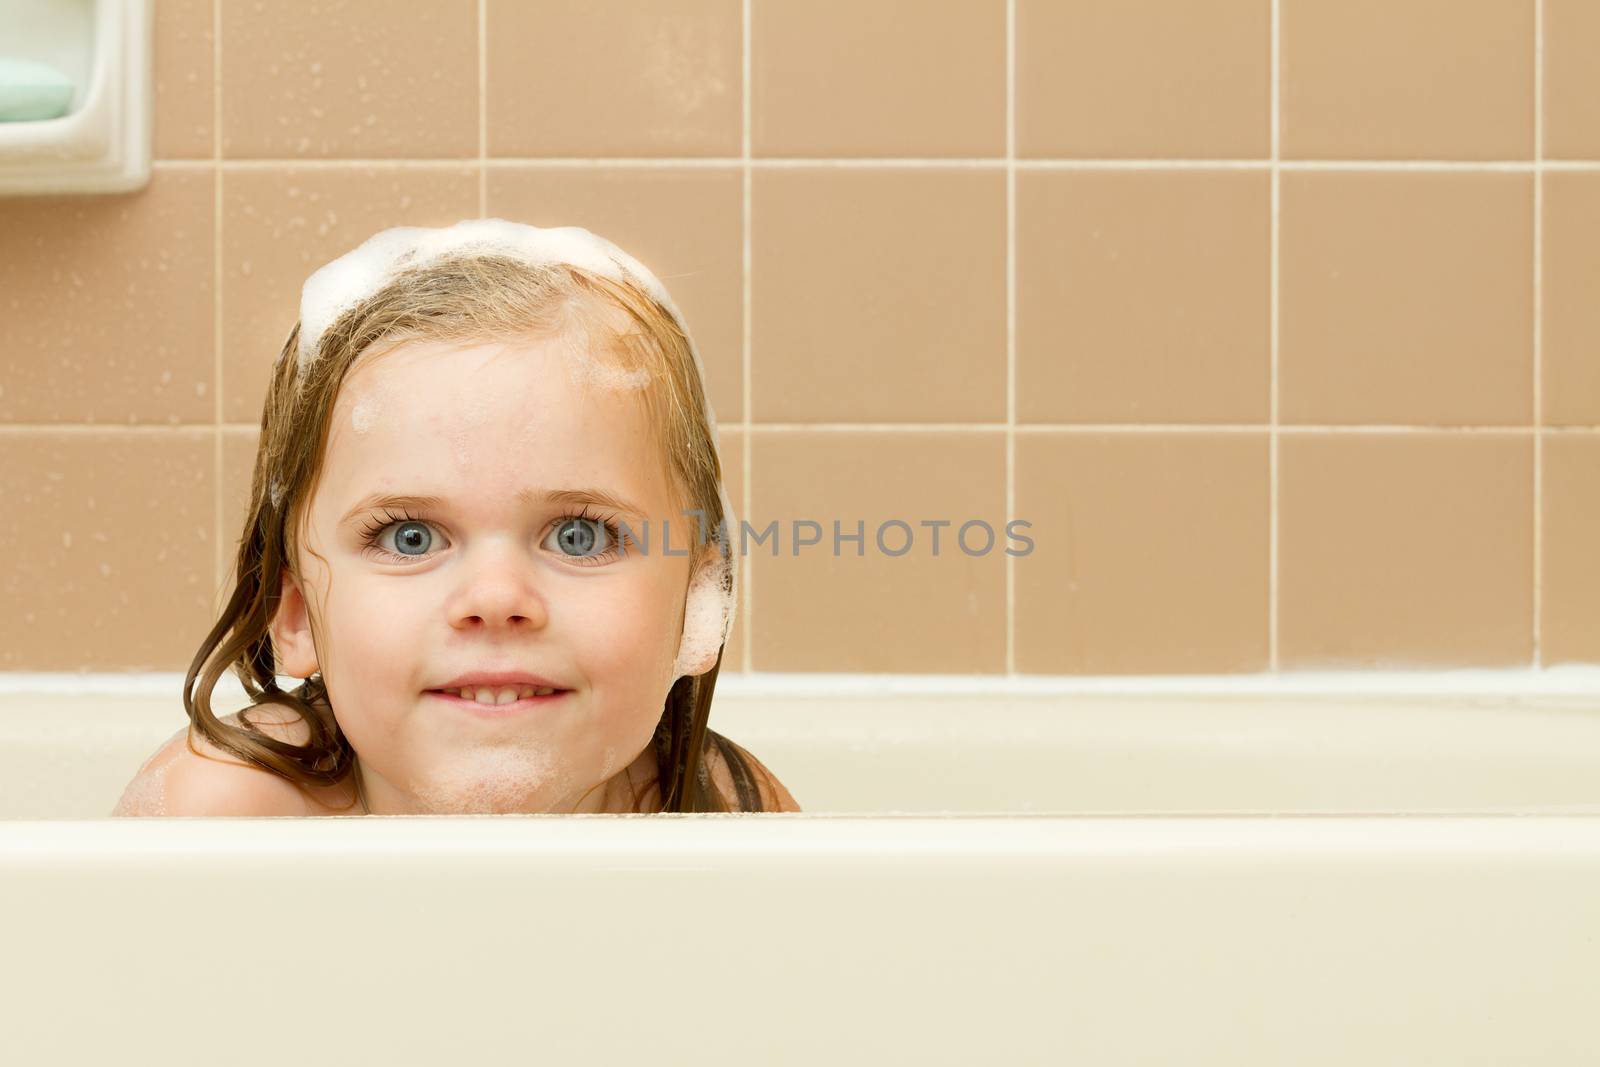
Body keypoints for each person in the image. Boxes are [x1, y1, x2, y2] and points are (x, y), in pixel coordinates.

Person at [112, 220, 799, 816]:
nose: (496, 598)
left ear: (697, 601)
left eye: (578, 534)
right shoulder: (221, 816)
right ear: (295, 614)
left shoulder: (726, 815)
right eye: (410, 538)